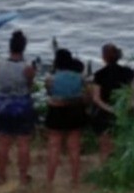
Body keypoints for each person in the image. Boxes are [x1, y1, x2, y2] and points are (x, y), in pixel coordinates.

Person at [0, 30, 35, 186]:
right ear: (23, 47)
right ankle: (23, 177)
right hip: (22, 107)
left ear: (10, 46)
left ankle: (1, 175)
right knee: (23, 143)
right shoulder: (27, 68)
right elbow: (30, 86)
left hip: (2, 106)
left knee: (3, 143)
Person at [45, 48, 86, 186]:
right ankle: (75, 180)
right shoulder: (79, 77)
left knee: (54, 147)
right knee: (74, 147)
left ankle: (50, 180)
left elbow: (50, 93)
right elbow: (84, 94)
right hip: (75, 112)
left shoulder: (51, 79)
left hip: (56, 112)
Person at [90, 43, 134, 163]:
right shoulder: (128, 72)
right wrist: (126, 107)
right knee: (122, 143)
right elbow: (133, 93)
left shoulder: (99, 74)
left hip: (104, 113)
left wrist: (110, 108)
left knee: (104, 144)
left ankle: (105, 168)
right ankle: (119, 167)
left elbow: (96, 98)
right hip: (124, 111)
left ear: (104, 57)